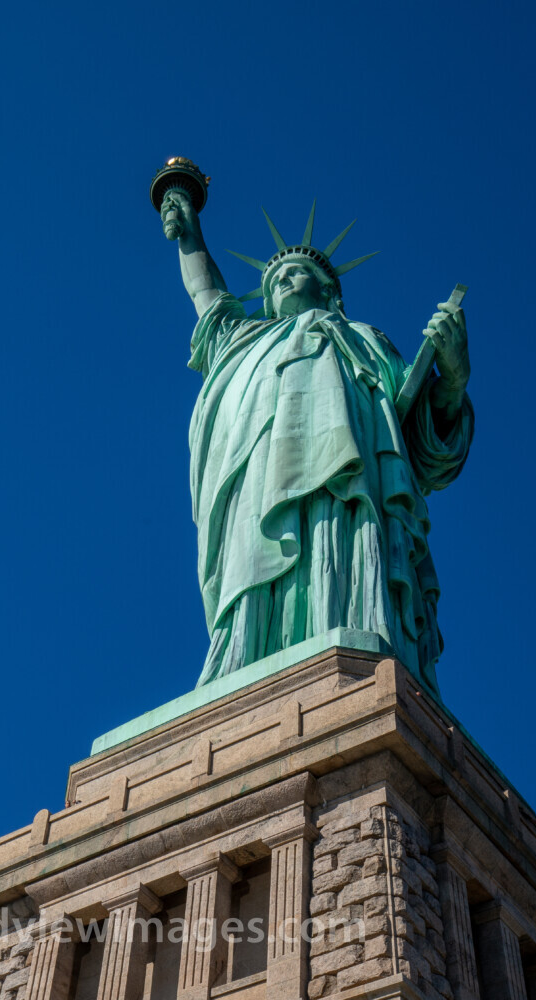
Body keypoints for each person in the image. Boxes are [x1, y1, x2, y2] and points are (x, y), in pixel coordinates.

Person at [159, 187, 474, 693]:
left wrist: (453, 381)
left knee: (339, 561)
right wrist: (190, 235)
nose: (282, 282)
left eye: (294, 273)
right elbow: (208, 297)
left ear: (331, 291)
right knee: (257, 570)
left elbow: (421, 437)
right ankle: (245, 661)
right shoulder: (244, 341)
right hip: (256, 492)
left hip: (348, 490)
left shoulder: (365, 341)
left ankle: (351, 640)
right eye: (273, 280)